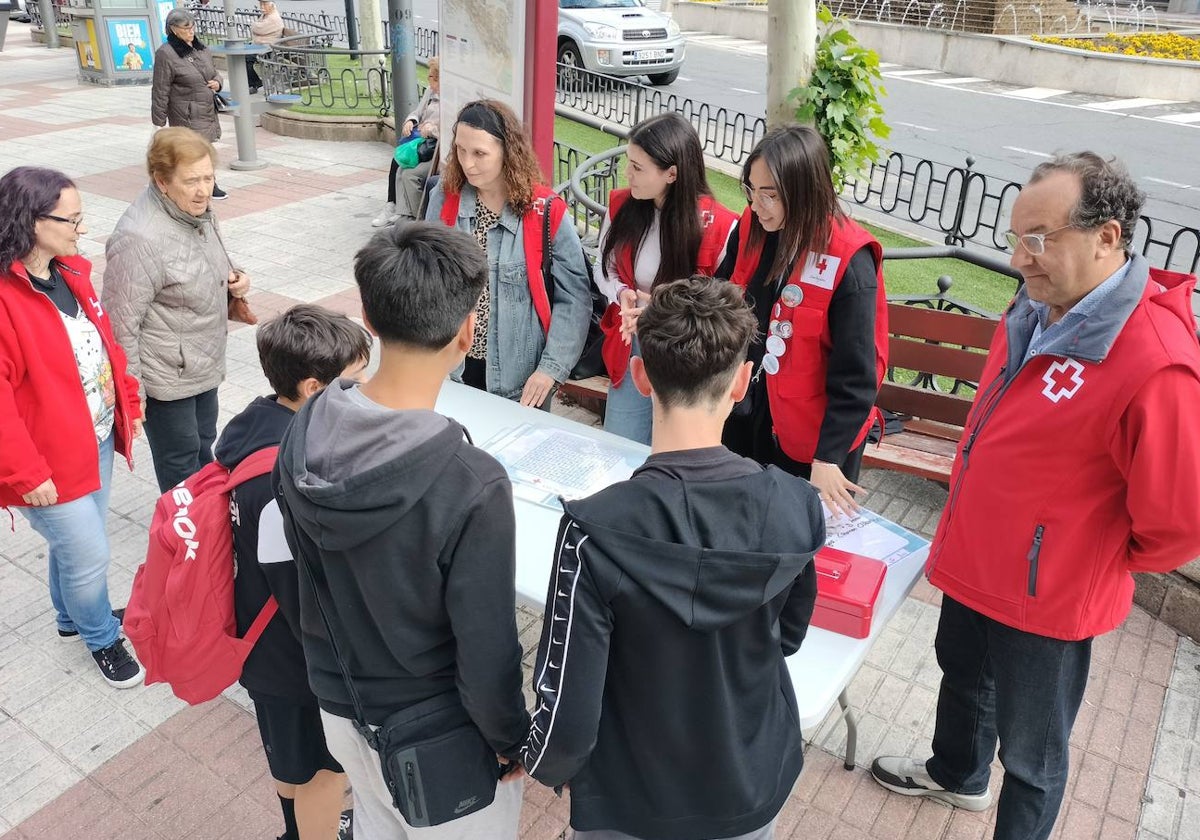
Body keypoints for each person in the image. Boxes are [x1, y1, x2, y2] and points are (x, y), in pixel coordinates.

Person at [870, 153, 1200, 840]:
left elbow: (1178, 522)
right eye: (1017, 238)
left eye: (1040, 238)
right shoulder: (1040, 303)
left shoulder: (1154, 359)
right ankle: (957, 776)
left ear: (1108, 236)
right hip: (975, 558)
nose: (1022, 257)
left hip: (1049, 596)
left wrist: (1081, 554)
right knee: (961, 677)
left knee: (1033, 755)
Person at [520, 275, 822, 840]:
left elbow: (569, 697)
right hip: (751, 780)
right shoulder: (797, 504)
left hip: (629, 798)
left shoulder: (593, 529)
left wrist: (537, 760)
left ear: (639, 377)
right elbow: (787, 636)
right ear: (741, 383)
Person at [274, 222, 530, 839]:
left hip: (340, 702)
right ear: (470, 331)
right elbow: (487, 645)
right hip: (438, 732)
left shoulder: (306, 430)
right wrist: (512, 740)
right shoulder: (472, 481)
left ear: (367, 312)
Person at [215, 304, 369, 840]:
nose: (361, 393)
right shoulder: (287, 475)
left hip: (259, 641)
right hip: (297, 660)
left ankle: (296, 829)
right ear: (310, 387)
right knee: (325, 772)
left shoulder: (251, 427)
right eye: (351, 383)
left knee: (289, 761)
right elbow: (304, 592)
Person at [0, 166, 145, 688]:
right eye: (71, 219)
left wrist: (127, 399)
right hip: (44, 459)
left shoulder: (73, 272)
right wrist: (24, 473)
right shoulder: (4, 298)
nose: (80, 230)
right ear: (31, 221)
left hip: (95, 434)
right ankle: (101, 636)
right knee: (89, 552)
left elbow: (105, 347)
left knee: (80, 545)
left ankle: (71, 618)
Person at [716, 125, 887, 518]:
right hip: (749, 408)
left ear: (804, 192)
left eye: (770, 195)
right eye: (751, 191)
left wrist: (827, 458)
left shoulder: (848, 260)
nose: (757, 205)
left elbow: (858, 377)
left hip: (812, 439)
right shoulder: (754, 225)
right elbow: (721, 292)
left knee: (797, 536)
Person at [103, 127, 252, 493]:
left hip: (202, 361)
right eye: (192, 181)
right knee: (181, 463)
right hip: (167, 377)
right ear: (162, 181)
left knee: (204, 444)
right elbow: (120, 324)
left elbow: (211, 263)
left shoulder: (197, 211)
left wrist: (237, 281)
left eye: (208, 177)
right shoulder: (139, 238)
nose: (204, 190)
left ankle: (207, 521)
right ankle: (186, 535)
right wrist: (131, 394)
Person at [426, 99, 592, 407]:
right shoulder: (445, 198)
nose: (467, 163)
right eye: (461, 150)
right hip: (453, 372)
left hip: (523, 382)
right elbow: (426, 281)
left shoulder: (545, 211)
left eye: (479, 153)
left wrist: (550, 370)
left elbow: (575, 298)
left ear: (507, 152)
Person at [594, 112, 737, 444]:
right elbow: (605, 267)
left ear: (672, 173)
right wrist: (621, 294)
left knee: (677, 449)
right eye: (628, 162)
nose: (627, 174)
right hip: (633, 342)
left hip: (688, 357)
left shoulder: (718, 225)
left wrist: (661, 310)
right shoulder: (623, 206)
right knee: (621, 443)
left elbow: (722, 305)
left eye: (638, 168)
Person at [152, 8, 229, 200]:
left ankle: (198, 182)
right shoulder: (166, 53)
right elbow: (160, 88)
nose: (191, 31)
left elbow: (213, 72)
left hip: (206, 108)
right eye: (186, 28)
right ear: (173, 30)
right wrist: (159, 121)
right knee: (195, 150)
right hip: (186, 111)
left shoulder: (200, 47)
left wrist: (218, 83)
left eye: (192, 26)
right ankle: (202, 184)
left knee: (204, 148)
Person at [372, 57, 441, 227]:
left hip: (435, 148)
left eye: (432, 77)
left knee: (409, 173)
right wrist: (410, 120)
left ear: (440, 79)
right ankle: (400, 211)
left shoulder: (450, 100)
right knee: (400, 163)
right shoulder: (430, 92)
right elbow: (417, 112)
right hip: (422, 141)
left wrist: (431, 129)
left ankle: (416, 220)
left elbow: (451, 130)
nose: (428, 80)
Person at [247, 0, 283, 94]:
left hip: (269, 48)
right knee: (242, 57)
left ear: (272, 5)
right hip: (260, 46)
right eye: (261, 4)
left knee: (246, 59)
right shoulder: (266, 15)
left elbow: (258, 29)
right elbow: (257, 28)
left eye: (264, 4)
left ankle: (254, 83)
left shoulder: (273, 18)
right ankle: (255, 83)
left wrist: (254, 25)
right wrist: (255, 26)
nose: (261, 7)